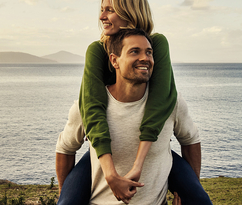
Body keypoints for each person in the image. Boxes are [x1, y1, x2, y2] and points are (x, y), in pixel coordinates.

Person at [56, 29, 212, 205]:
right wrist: (65, 194)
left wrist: (188, 192)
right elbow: (65, 148)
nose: (145, 58)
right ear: (114, 60)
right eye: (134, 51)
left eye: (149, 52)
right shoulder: (87, 107)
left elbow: (190, 139)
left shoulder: (171, 103)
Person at [78, 0, 178, 202]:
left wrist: (138, 165)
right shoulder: (97, 50)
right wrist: (110, 174)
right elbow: (92, 109)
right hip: (101, 150)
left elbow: (159, 103)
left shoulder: (156, 44)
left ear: (130, 12)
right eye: (102, 9)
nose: (102, 16)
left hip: (154, 151)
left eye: (109, 10)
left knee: (198, 198)